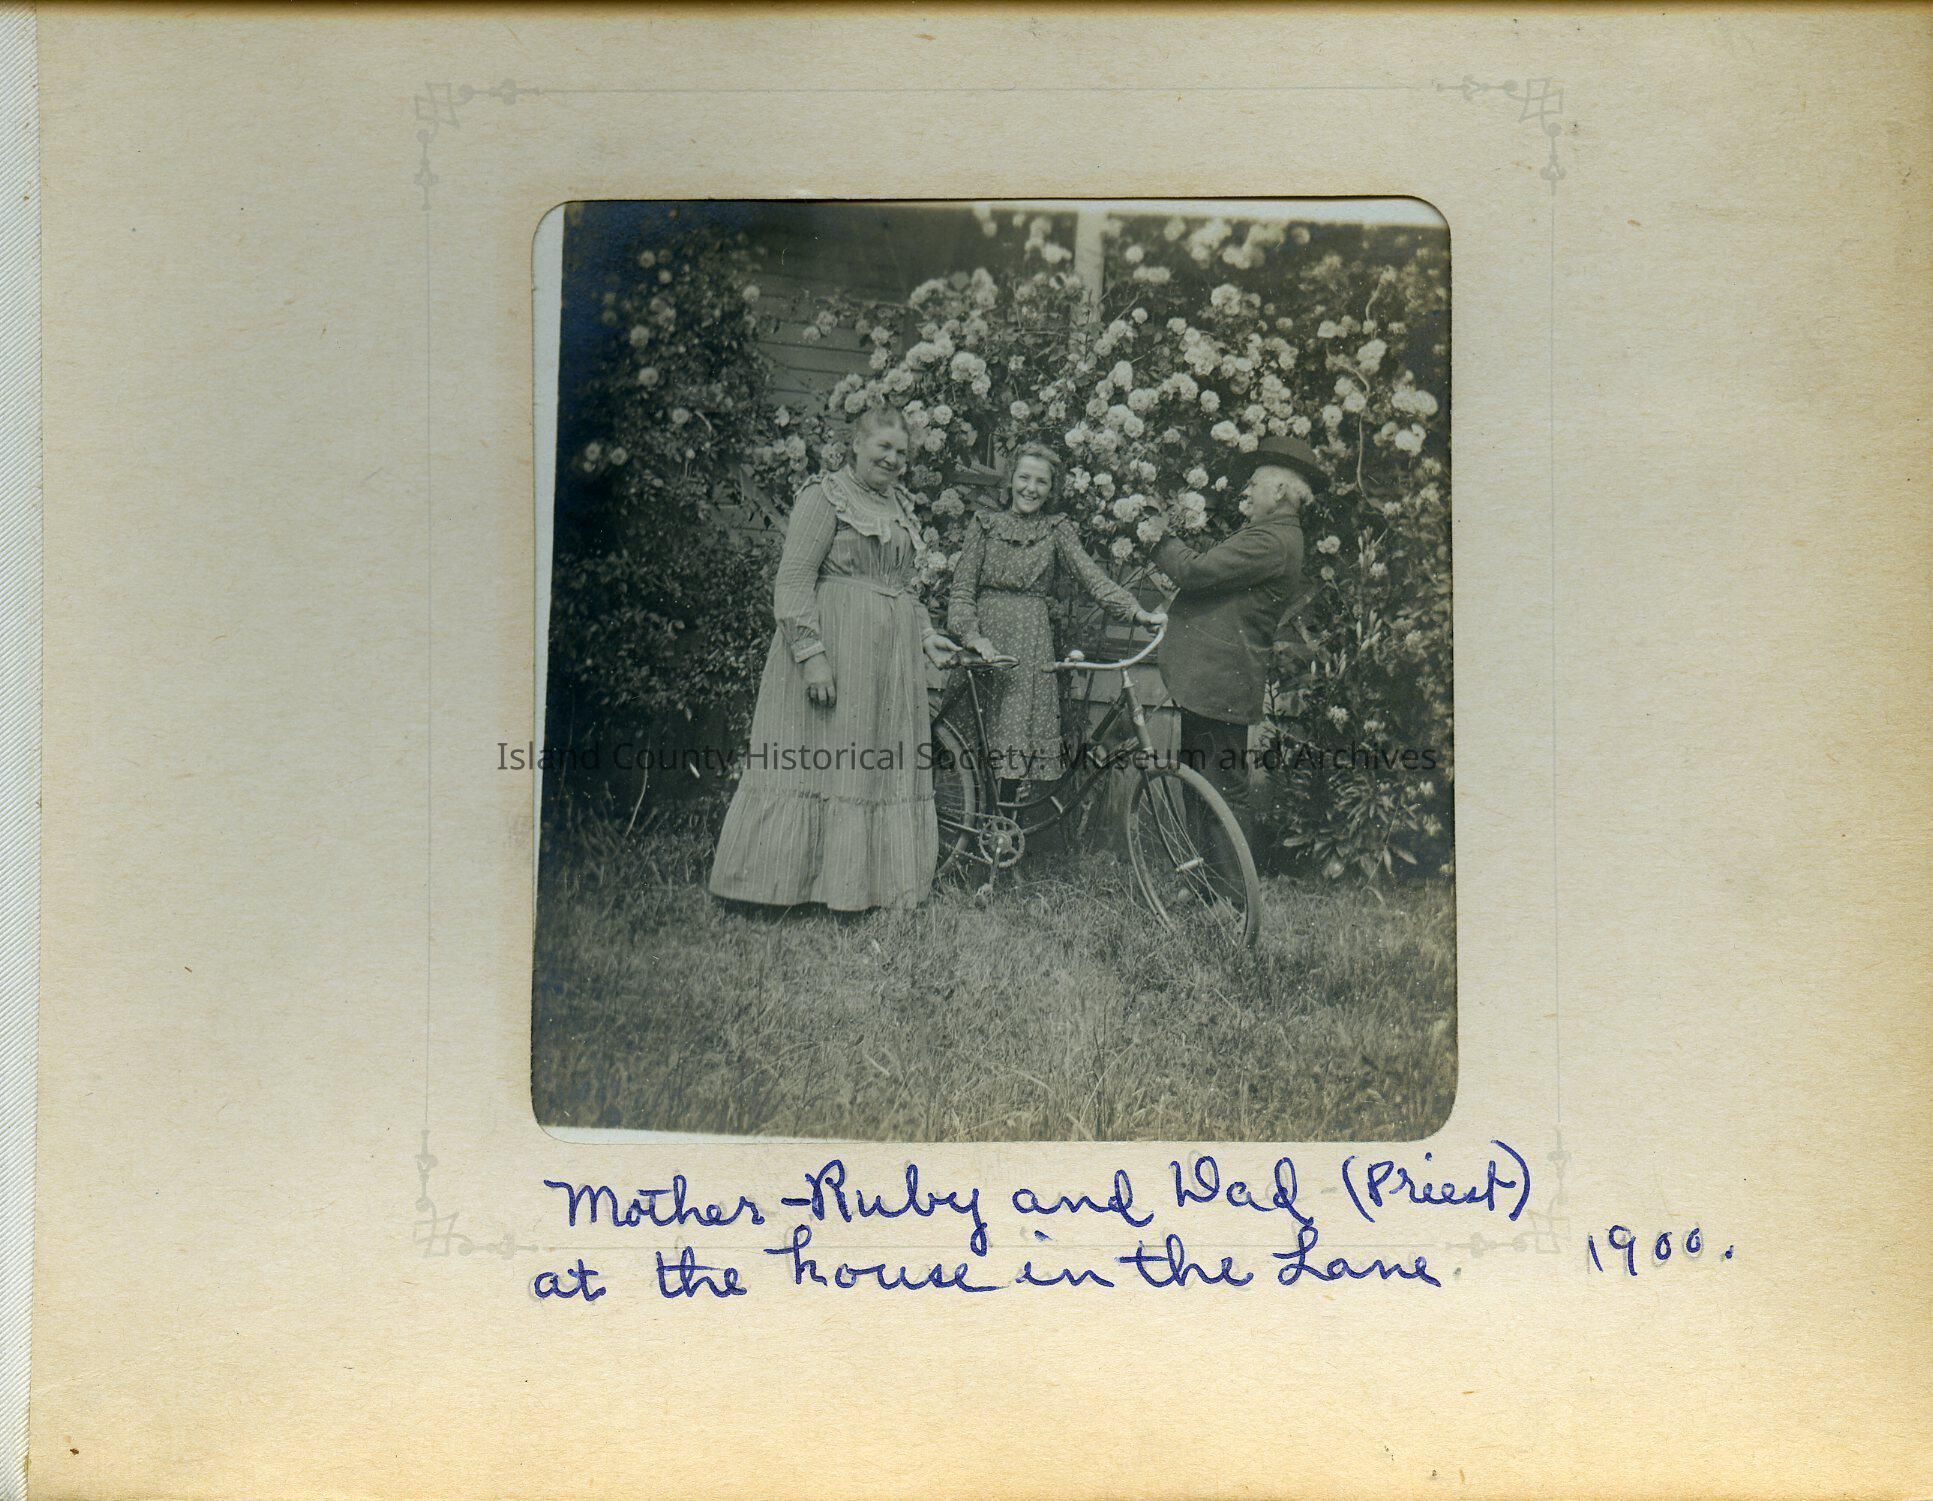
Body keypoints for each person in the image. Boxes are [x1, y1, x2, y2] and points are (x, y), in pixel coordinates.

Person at [708, 407, 960, 911]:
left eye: (901, 452)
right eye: (883, 447)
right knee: (818, 763)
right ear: (857, 444)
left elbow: (902, 587)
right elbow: (793, 581)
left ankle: (861, 888)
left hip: (886, 663)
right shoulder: (825, 496)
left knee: (867, 769)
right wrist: (811, 656)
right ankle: (775, 888)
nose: (892, 460)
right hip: (836, 654)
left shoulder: (899, 508)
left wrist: (928, 635)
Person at [947, 441, 1166, 797]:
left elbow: (1092, 577)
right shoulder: (984, 525)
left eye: (1041, 482)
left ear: (1052, 490)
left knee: (1014, 752)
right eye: (1024, 478)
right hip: (984, 646)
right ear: (1010, 479)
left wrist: (1136, 612)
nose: (1030, 489)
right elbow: (961, 592)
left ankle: (1006, 825)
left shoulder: (1055, 529)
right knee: (971, 751)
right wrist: (973, 637)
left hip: (1028, 649)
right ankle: (970, 823)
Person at [1150, 434, 1319, 838]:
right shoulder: (1273, 534)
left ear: (1279, 491)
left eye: (1254, 484)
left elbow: (1195, 572)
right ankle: (1204, 873)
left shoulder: (1270, 540)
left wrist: (1157, 535)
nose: (1247, 491)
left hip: (1220, 682)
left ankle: (1229, 880)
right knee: (1203, 787)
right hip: (1215, 681)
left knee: (1220, 795)